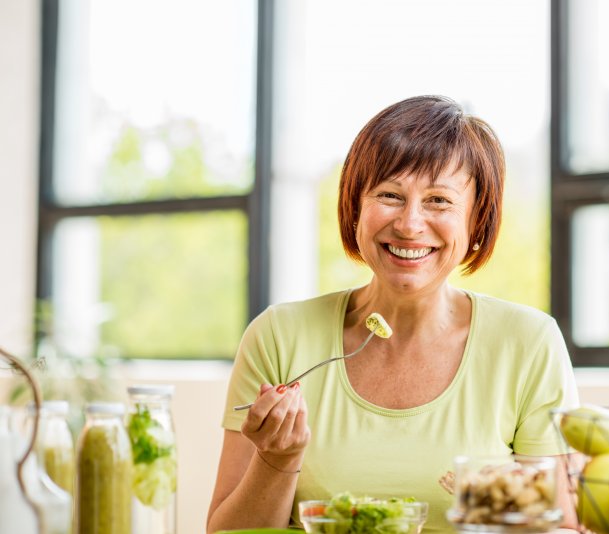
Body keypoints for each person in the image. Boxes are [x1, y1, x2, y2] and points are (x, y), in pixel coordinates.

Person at [207, 95, 580, 534]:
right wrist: (277, 459)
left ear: (476, 220)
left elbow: (556, 527)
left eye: (439, 201)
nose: (409, 224)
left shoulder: (528, 342)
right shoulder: (280, 336)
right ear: (355, 208)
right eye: (389, 195)